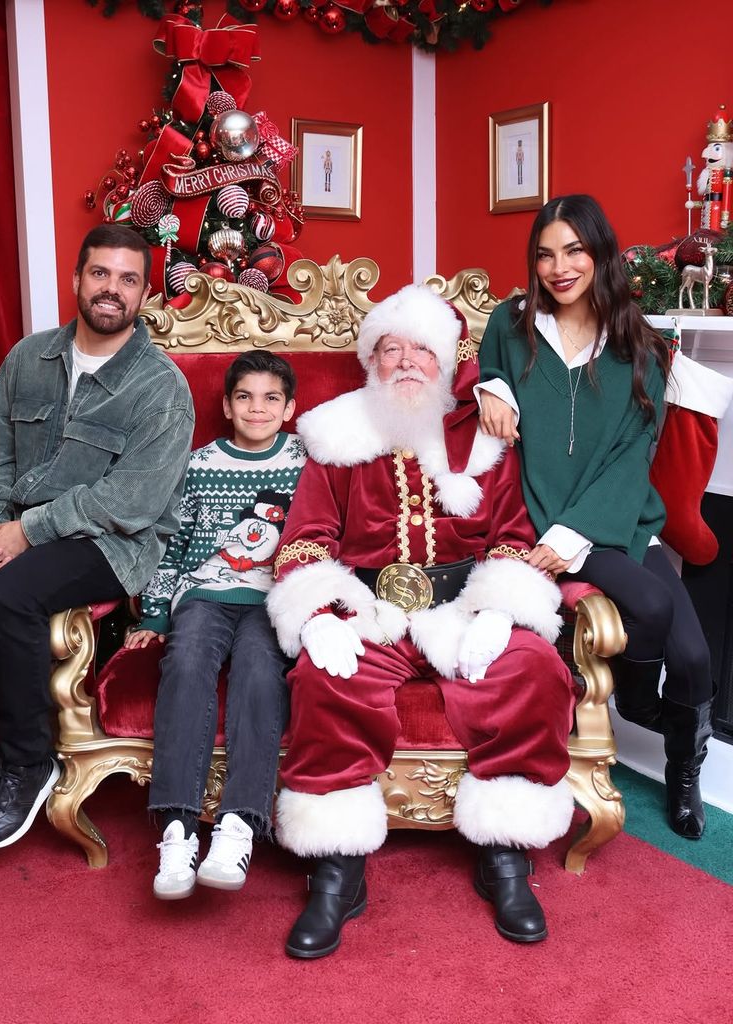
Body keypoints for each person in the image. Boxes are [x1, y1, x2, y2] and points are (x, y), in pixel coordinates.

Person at [266, 284, 576, 958]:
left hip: (466, 607)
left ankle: (505, 851)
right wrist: (319, 614)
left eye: (422, 352)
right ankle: (336, 869)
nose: (406, 362)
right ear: (369, 361)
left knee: (535, 669)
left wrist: (499, 610)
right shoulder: (336, 437)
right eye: (390, 350)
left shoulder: (486, 440)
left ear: (446, 362)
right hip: (370, 610)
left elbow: (513, 537)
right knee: (325, 675)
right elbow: (305, 540)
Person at [477, 193, 715, 840]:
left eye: (574, 251)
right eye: (546, 254)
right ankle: (637, 703)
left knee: (694, 659)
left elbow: (635, 452)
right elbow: (491, 364)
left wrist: (572, 535)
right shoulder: (513, 321)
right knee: (655, 611)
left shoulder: (637, 341)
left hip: (611, 516)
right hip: (545, 508)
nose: (559, 267)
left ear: (600, 253)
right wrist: (491, 387)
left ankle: (682, 767)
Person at [0, 224, 195, 852]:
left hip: (114, 544)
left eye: (128, 279)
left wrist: (26, 531)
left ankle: (28, 763)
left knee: (10, 594)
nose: (111, 290)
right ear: (77, 279)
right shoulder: (27, 359)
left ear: (145, 295)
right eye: (100, 274)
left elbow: (133, 501)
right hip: (17, 530)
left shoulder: (161, 387)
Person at [125, 351, 307, 900]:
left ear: (290, 407)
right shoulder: (198, 464)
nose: (258, 408)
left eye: (271, 398)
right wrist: (156, 614)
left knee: (258, 669)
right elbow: (170, 545)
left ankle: (238, 826)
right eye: (245, 397)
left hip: (272, 601)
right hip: (203, 595)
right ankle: (177, 829)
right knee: (184, 663)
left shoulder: (305, 461)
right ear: (227, 405)